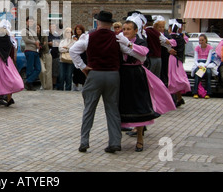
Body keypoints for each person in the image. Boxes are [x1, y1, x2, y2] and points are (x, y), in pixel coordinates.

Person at [116, 14, 175, 152]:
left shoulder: (140, 41)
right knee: (121, 105)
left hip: (136, 74)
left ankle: (140, 139)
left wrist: (128, 44)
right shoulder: (119, 41)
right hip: (123, 75)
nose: (125, 32)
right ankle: (116, 138)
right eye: (123, 29)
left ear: (136, 31)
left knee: (139, 105)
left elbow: (144, 53)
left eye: (128, 29)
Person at [69, 10, 122, 154]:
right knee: (112, 109)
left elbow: (73, 51)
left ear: (97, 22)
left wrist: (83, 67)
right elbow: (129, 52)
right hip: (113, 74)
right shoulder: (117, 38)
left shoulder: (88, 37)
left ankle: (84, 141)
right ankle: (115, 141)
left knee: (89, 109)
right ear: (110, 24)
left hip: (95, 74)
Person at [0, 20, 24, 107]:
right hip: (8, 60)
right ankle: (8, 98)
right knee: (8, 79)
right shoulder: (10, 39)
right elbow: (13, 50)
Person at [167, 19, 191, 107]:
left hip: (173, 59)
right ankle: (179, 98)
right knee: (175, 77)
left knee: (173, 78)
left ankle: (174, 99)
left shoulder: (172, 37)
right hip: (177, 60)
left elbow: (166, 43)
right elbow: (186, 40)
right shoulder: (181, 37)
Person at [22, 16, 41, 91]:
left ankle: (28, 81)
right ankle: (29, 84)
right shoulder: (24, 30)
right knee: (29, 68)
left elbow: (37, 39)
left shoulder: (33, 31)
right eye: (29, 21)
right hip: (29, 50)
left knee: (38, 68)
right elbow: (26, 40)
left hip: (35, 51)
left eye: (32, 21)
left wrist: (38, 43)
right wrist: (35, 42)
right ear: (26, 22)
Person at [192, 34, 213, 99]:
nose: (201, 42)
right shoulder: (197, 48)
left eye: (202, 40)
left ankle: (208, 93)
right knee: (197, 75)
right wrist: (198, 65)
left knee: (208, 74)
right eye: (200, 40)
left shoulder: (210, 47)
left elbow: (209, 59)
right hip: (199, 63)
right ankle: (195, 92)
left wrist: (205, 66)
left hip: (206, 64)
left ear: (206, 40)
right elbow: (195, 59)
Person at [37, 23, 52, 90]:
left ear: (40, 28)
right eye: (35, 28)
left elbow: (45, 45)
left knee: (48, 72)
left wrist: (39, 45)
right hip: (39, 55)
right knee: (42, 71)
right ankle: (43, 85)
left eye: (38, 28)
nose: (37, 29)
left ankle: (48, 87)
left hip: (47, 54)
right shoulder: (33, 36)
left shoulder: (44, 35)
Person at [72, 25, 87, 91]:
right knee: (76, 71)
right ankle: (75, 85)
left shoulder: (84, 37)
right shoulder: (73, 37)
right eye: (77, 29)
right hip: (76, 55)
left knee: (83, 72)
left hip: (83, 55)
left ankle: (84, 85)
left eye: (79, 29)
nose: (78, 31)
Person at [48, 23, 61, 90]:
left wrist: (53, 43)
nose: (52, 27)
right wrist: (50, 43)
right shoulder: (47, 35)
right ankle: (49, 84)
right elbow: (45, 43)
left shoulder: (57, 35)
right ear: (49, 27)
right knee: (48, 71)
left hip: (56, 55)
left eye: (54, 26)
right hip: (48, 54)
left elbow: (58, 43)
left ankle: (54, 85)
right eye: (51, 26)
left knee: (55, 71)